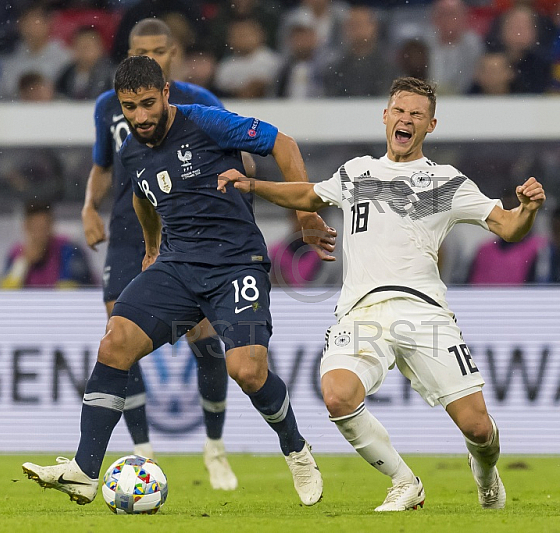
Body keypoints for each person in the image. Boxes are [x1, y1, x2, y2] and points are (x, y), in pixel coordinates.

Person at [218, 76, 546, 511]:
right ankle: (404, 482)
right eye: (399, 111)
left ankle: (485, 472)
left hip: (424, 311)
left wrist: (527, 209)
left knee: (479, 429)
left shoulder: (446, 182)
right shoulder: (357, 173)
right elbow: (309, 194)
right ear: (386, 116)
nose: (406, 119)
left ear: (430, 125)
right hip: (361, 312)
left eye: (416, 114)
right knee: (337, 395)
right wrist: (255, 185)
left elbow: (508, 226)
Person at [22, 55, 334, 507]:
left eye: (149, 103)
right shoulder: (130, 150)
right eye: (131, 107)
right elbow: (145, 201)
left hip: (236, 265)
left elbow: (282, 143)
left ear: (166, 93)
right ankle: (84, 471)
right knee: (114, 343)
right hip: (178, 266)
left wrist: (305, 211)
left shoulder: (206, 122)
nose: (141, 116)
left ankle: (296, 448)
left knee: (246, 370)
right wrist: (152, 248)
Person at [80, 17, 235, 490]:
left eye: (162, 49)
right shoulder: (111, 104)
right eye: (141, 49)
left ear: (175, 53)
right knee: (118, 339)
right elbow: (103, 165)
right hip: (130, 235)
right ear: (127, 54)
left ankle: (215, 448)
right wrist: (89, 205)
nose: (153, 56)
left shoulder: (201, 102)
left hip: (189, 235)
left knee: (205, 342)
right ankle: (142, 452)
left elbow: (236, 158)